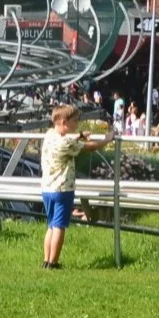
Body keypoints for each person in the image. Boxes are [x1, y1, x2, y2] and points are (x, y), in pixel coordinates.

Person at [38, 101, 110, 270]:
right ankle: (54, 263)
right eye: (75, 121)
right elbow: (90, 147)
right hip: (63, 189)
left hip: (47, 188)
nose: (77, 124)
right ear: (64, 123)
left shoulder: (49, 134)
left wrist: (78, 134)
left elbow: (67, 138)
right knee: (59, 226)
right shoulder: (66, 144)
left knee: (50, 225)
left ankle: (46, 260)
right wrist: (107, 139)